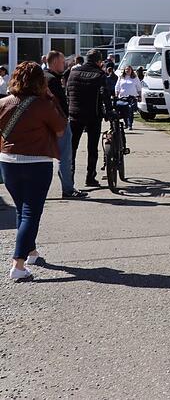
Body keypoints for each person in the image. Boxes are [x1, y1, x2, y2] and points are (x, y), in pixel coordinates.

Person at [0, 61, 67, 280]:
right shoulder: (43, 104)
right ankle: (18, 265)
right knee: (31, 212)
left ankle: (31, 253)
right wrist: (50, 97)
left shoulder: (4, 102)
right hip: (37, 161)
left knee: (22, 209)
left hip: (8, 162)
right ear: (41, 81)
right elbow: (60, 128)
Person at [44, 51, 87, 199]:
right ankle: (68, 189)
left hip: (46, 123)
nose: (65, 64)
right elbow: (59, 103)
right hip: (58, 123)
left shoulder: (45, 77)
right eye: (63, 62)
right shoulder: (52, 80)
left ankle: (65, 188)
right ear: (55, 62)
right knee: (65, 157)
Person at [66, 49, 107, 188]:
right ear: (98, 61)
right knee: (92, 148)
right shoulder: (99, 74)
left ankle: (69, 179)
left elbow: (68, 92)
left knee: (72, 148)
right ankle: (90, 177)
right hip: (93, 115)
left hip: (75, 114)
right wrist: (109, 111)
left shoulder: (74, 72)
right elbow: (105, 96)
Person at [114, 65, 141, 129]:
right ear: (124, 70)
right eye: (126, 69)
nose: (127, 70)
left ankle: (130, 124)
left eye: (129, 69)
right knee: (124, 111)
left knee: (130, 110)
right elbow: (117, 87)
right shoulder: (121, 77)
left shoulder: (135, 78)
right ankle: (126, 123)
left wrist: (140, 96)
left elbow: (139, 87)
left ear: (131, 70)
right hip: (122, 97)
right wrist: (116, 94)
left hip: (132, 97)